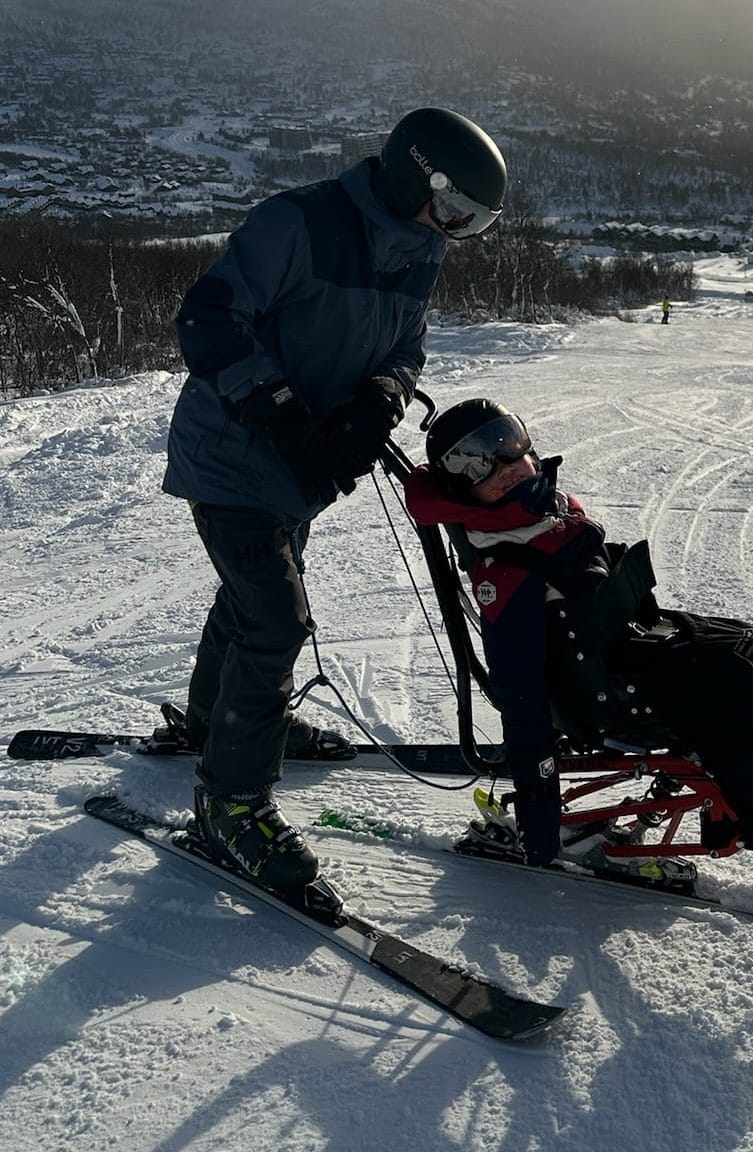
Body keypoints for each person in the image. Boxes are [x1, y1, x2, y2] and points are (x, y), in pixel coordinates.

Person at [161, 107, 507, 892]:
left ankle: (220, 726)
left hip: (299, 468)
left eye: (474, 224)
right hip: (230, 454)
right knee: (276, 617)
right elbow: (207, 317)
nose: (457, 231)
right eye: (455, 210)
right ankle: (231, 802)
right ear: (418, 177)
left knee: (252, 600)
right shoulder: (299, 223)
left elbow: (404, 344)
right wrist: (277, 407)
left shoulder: (421, 247)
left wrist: (381, 397)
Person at [401, 400, 753, 875]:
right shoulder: (508, 566)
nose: (503, 466)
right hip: (599, 695)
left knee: (746, 649)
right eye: (473, 465)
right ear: (458, 489)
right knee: (737, 671)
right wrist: (538, 810)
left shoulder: (536, 512)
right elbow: (520, 692)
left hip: (612, 652)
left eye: (506, 444)